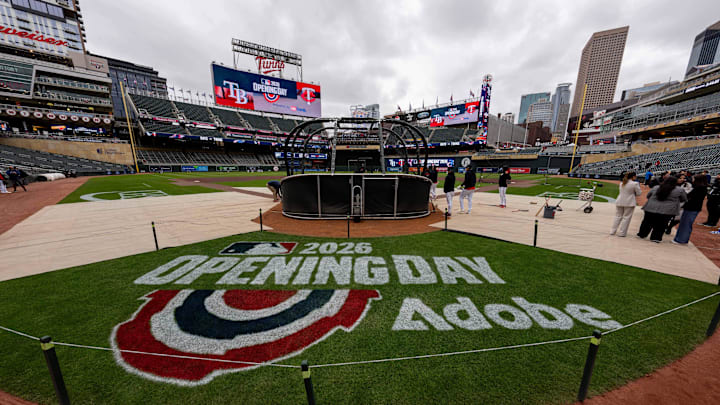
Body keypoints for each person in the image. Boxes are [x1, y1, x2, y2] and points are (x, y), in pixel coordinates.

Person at [637, 176, 687, 242]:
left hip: (651, 207)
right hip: (667, 210)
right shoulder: (679, 190)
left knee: (647, 221)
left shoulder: (656, 187)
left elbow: (648, 196)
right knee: (662, 224)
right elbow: (684, 199)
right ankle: (656, 237)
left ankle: (642, 234)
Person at [673, 174, 708, 244]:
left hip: (692, 208)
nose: (692, 180)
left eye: (694, 179)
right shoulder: (701, 188)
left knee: (685, 224)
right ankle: (681, 239)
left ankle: (681, 240)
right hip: (692, 207)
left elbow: (689, 196)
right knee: (685, 223)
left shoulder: (699, 188)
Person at [610, 171, 642, 237]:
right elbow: (639, 193)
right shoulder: (635, 183)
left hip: (620, 201)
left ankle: (612, 231)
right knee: (626, 218)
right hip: (629, 202)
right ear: (633, 177)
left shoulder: (622, 183)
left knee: (618, 216)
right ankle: (622, 233)